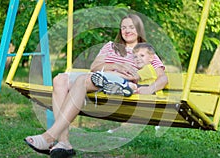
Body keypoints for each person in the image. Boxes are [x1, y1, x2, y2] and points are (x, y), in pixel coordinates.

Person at [24, 14, 168, 158]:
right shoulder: (110, 46)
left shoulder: (146, 51)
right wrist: (115, 65)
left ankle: (49, 136)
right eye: (123, 27)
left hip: (119, 82)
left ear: (139, 29)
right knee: (59, 79)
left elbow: (163, 78)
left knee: (82, 80)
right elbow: (95, 66)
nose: (127, 30)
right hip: (98, 76)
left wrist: (149, 89)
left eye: (131, 27)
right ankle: (64, 142)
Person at [91, 42, 165, 96]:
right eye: (135, 57)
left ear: (151, 58)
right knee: (129, 83)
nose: (138, 59)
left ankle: (106, 81)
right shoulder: (143, 68)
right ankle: (107, 82)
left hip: (150, 93)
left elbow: (132, 77)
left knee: (130, 84)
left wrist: (114, 74)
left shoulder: (148, 68)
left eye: (142, 56)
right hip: (142, 90)